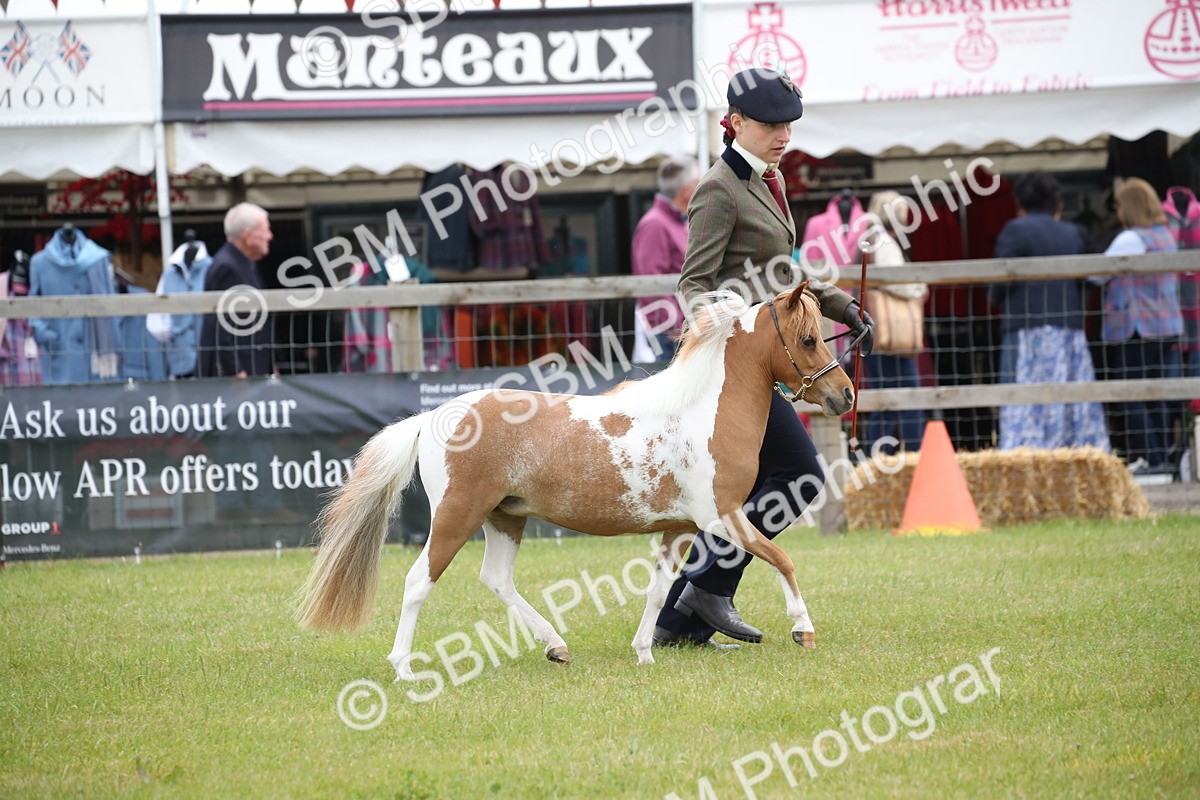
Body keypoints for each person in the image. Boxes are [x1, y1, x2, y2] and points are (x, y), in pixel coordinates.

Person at [653, 68, 873, 648]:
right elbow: (693, 284)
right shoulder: (719, 188)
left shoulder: (767, 181)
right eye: (772, 124)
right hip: (727, 370)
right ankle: (702, 593)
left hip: (757, 369)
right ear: (736, 123)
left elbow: (785, 274)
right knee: (799, 475)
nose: (783, 134)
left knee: (792, 478)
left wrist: (843, 307)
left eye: (789, 125)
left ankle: (683, 616)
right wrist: (729, 331)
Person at [990, 171, 1109, 452]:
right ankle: (1073, 452)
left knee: (1021, 398)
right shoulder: (1074, 233)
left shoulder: (1014, 230)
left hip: (1025, 330)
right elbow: (1096, 276)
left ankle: (1023, 453)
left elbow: (998, 284)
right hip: (1069, 329)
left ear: (1020, 202)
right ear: (1058, 203)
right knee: (1072, 400)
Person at [1093, 177, 1183, 474]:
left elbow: (1096, 275)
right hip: (1166, 324)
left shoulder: (1131, 239)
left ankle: (1150, 458)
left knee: (1131, 393)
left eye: (1118, 206)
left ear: (1128, 207)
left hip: (1136, 326)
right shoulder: (1167, 235)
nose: (1116, 212)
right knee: (1157, 392)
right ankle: (1164, 457)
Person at [859, 191, 927, 454]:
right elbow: (896, 281)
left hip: (875, 331)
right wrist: (918, 288)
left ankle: (878, 458)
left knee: (882, 401)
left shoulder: (869, 238)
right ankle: (914, 454)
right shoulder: (884, 243)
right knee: (909, 397)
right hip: (891, 333)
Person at [631, 156, 700, 362]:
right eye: (698, 181)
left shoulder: (674, 221)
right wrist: (678, 329)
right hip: (669, 335)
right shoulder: (655, 225)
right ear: (687, 190)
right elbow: (652, 285)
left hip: (675, 331)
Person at [198, 203, 274, 378]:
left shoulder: (244, 263)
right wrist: (236, 370)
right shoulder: (227, 266)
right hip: (239, 376)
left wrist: (269, 365)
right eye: (265, 230)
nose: (270, 236)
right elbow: (219, 325)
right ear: (248, 235)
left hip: (253, 368)